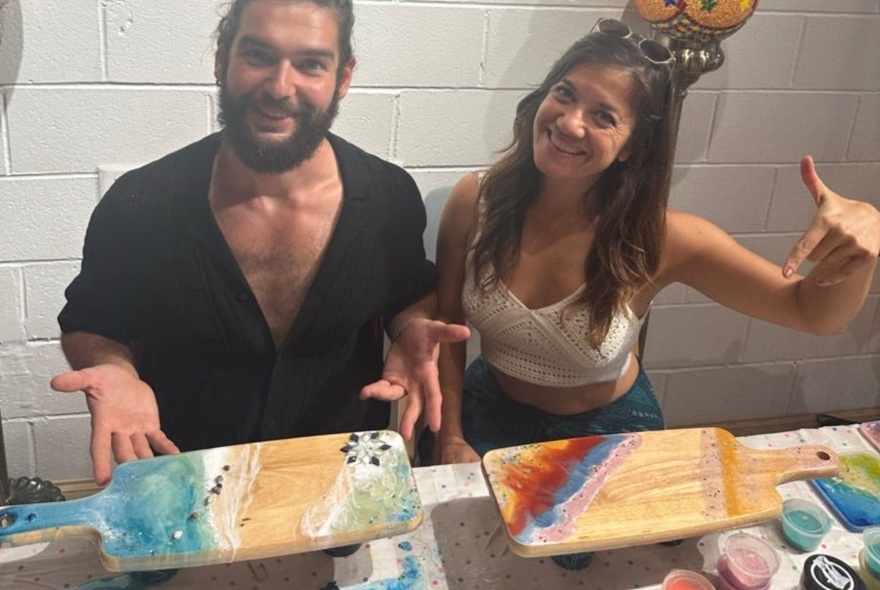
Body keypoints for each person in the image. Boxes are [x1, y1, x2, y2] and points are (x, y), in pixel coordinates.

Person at [427, 17, 879, 568]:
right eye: (564, 94)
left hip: (607, 434)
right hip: (485, 411)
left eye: (603, 117)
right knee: (477, 561)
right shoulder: (476, 201)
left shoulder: (662, 238)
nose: (569, 123)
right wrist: (449, 433)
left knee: (599, 572)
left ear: (631, 148)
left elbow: (813, 313)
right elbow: (445, 329)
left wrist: (864, 242)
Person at [50, 0, 469, 489]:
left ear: (344, 76)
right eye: (258, 55)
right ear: (222, 58)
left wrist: (411, 328)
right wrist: (113, 369)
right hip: (179, 476)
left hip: (337, 477)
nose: (279, 87)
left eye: (310, 64)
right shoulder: (141, 204)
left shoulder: (389, 197)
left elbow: (408, 295)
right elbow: (90, 324)